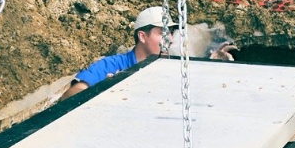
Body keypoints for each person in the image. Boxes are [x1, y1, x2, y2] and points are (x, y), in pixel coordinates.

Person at [65, 9, 235, 97]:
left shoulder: (174, 67)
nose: (169, 39)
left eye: (170, 33)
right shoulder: (112, 65)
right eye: (162, 33)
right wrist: (105, 90)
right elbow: (70, 95)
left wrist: (215, 66)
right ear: (142, 36)